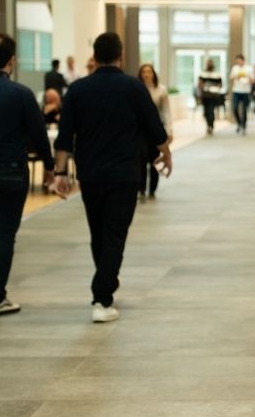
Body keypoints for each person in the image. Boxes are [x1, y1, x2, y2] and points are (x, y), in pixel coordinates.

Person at [53, 32, 172, 323]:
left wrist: (59, 173)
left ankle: (106, 283)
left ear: (95, 55)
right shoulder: (133, 88)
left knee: (99, 232)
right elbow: (155, 128)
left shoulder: (78, 90)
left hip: (91, 174)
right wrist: (165, 154)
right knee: (115, 234)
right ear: (121, 55)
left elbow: (65, 136)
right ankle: (101, 297)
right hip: (124, 174)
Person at [0, 33, 55, 316]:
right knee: (4, 233)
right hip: (12, 172)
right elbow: (39, 135)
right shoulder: (22, 95)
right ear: (12, 60)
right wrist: (51, 168)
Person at [137, 64, 173, 201]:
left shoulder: (160, 90)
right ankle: (140, 188)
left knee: (154, 159)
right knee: (140, 158)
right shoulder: (137, 89)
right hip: (140, 131)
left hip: (156, 130)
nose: (146, 74)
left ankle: (152, 188)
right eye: (144, 72)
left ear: (153, 74)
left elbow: (166, 111)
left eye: (149, 71)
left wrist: (169, 130)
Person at [197, 58, 224, 135]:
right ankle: (208, 124)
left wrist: (214, 87)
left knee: (211, 111)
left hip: (213, 95)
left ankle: (211, 126)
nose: (209, 65)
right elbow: (199, 84)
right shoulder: (203, 73)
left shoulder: (217, 74)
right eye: (208, 64)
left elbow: (220, 85)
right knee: (206, 112)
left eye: (210, 64)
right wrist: (203, 86)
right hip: (205, 95)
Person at [229, 54, 253, 134]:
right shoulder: (235, 68)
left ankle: (244, 126)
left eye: (239, 61)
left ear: (243, 60)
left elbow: (253, 80)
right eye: (237, 61)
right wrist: (237, 76)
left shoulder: (249, 68)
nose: (238, 63)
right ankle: (239, 123)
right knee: (235, 108)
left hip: (245, 91)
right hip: (236, 91)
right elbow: (231, 78)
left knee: (244, 110)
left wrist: (247, 77)